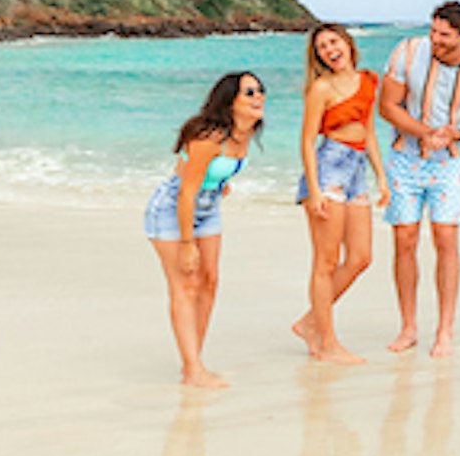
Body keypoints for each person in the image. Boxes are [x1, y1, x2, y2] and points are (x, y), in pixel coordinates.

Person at [379, 1, 460, 358]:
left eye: (445, 36)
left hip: (451, 162)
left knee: (445, 238)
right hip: (404, 157)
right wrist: (424, 132)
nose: (436, 41)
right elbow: (387, 106)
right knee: (405, 240)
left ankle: (445, 331)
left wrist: (459, 133)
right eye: (433, 32)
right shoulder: (407, 51)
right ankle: (408, 327)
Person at [144, 68, 265, 387]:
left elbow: (212, 176)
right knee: (186, 285)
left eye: (260, 90)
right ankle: (193, 369)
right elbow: (186, 190)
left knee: (210, 282)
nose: (258, 97)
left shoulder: (246, 133)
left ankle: (193, 361)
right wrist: (187, 244)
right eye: (249, 92)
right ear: (230, 101)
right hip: (173, 209)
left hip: (208, 207)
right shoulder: (209, 137)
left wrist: (220, 183)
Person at [289, 22, 390, 365]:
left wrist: (382, 179)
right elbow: (306, 140)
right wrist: (314, 190)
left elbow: (370, 133)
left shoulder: (368, 81)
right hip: (328, 168)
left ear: (348, 43)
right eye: (321, 48)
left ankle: (309, 322)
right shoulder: (320, 88)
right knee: (326, 261)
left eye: (334, 42)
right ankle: (326, 343)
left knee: (361, 257)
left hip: (357, 170)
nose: (329, 50)